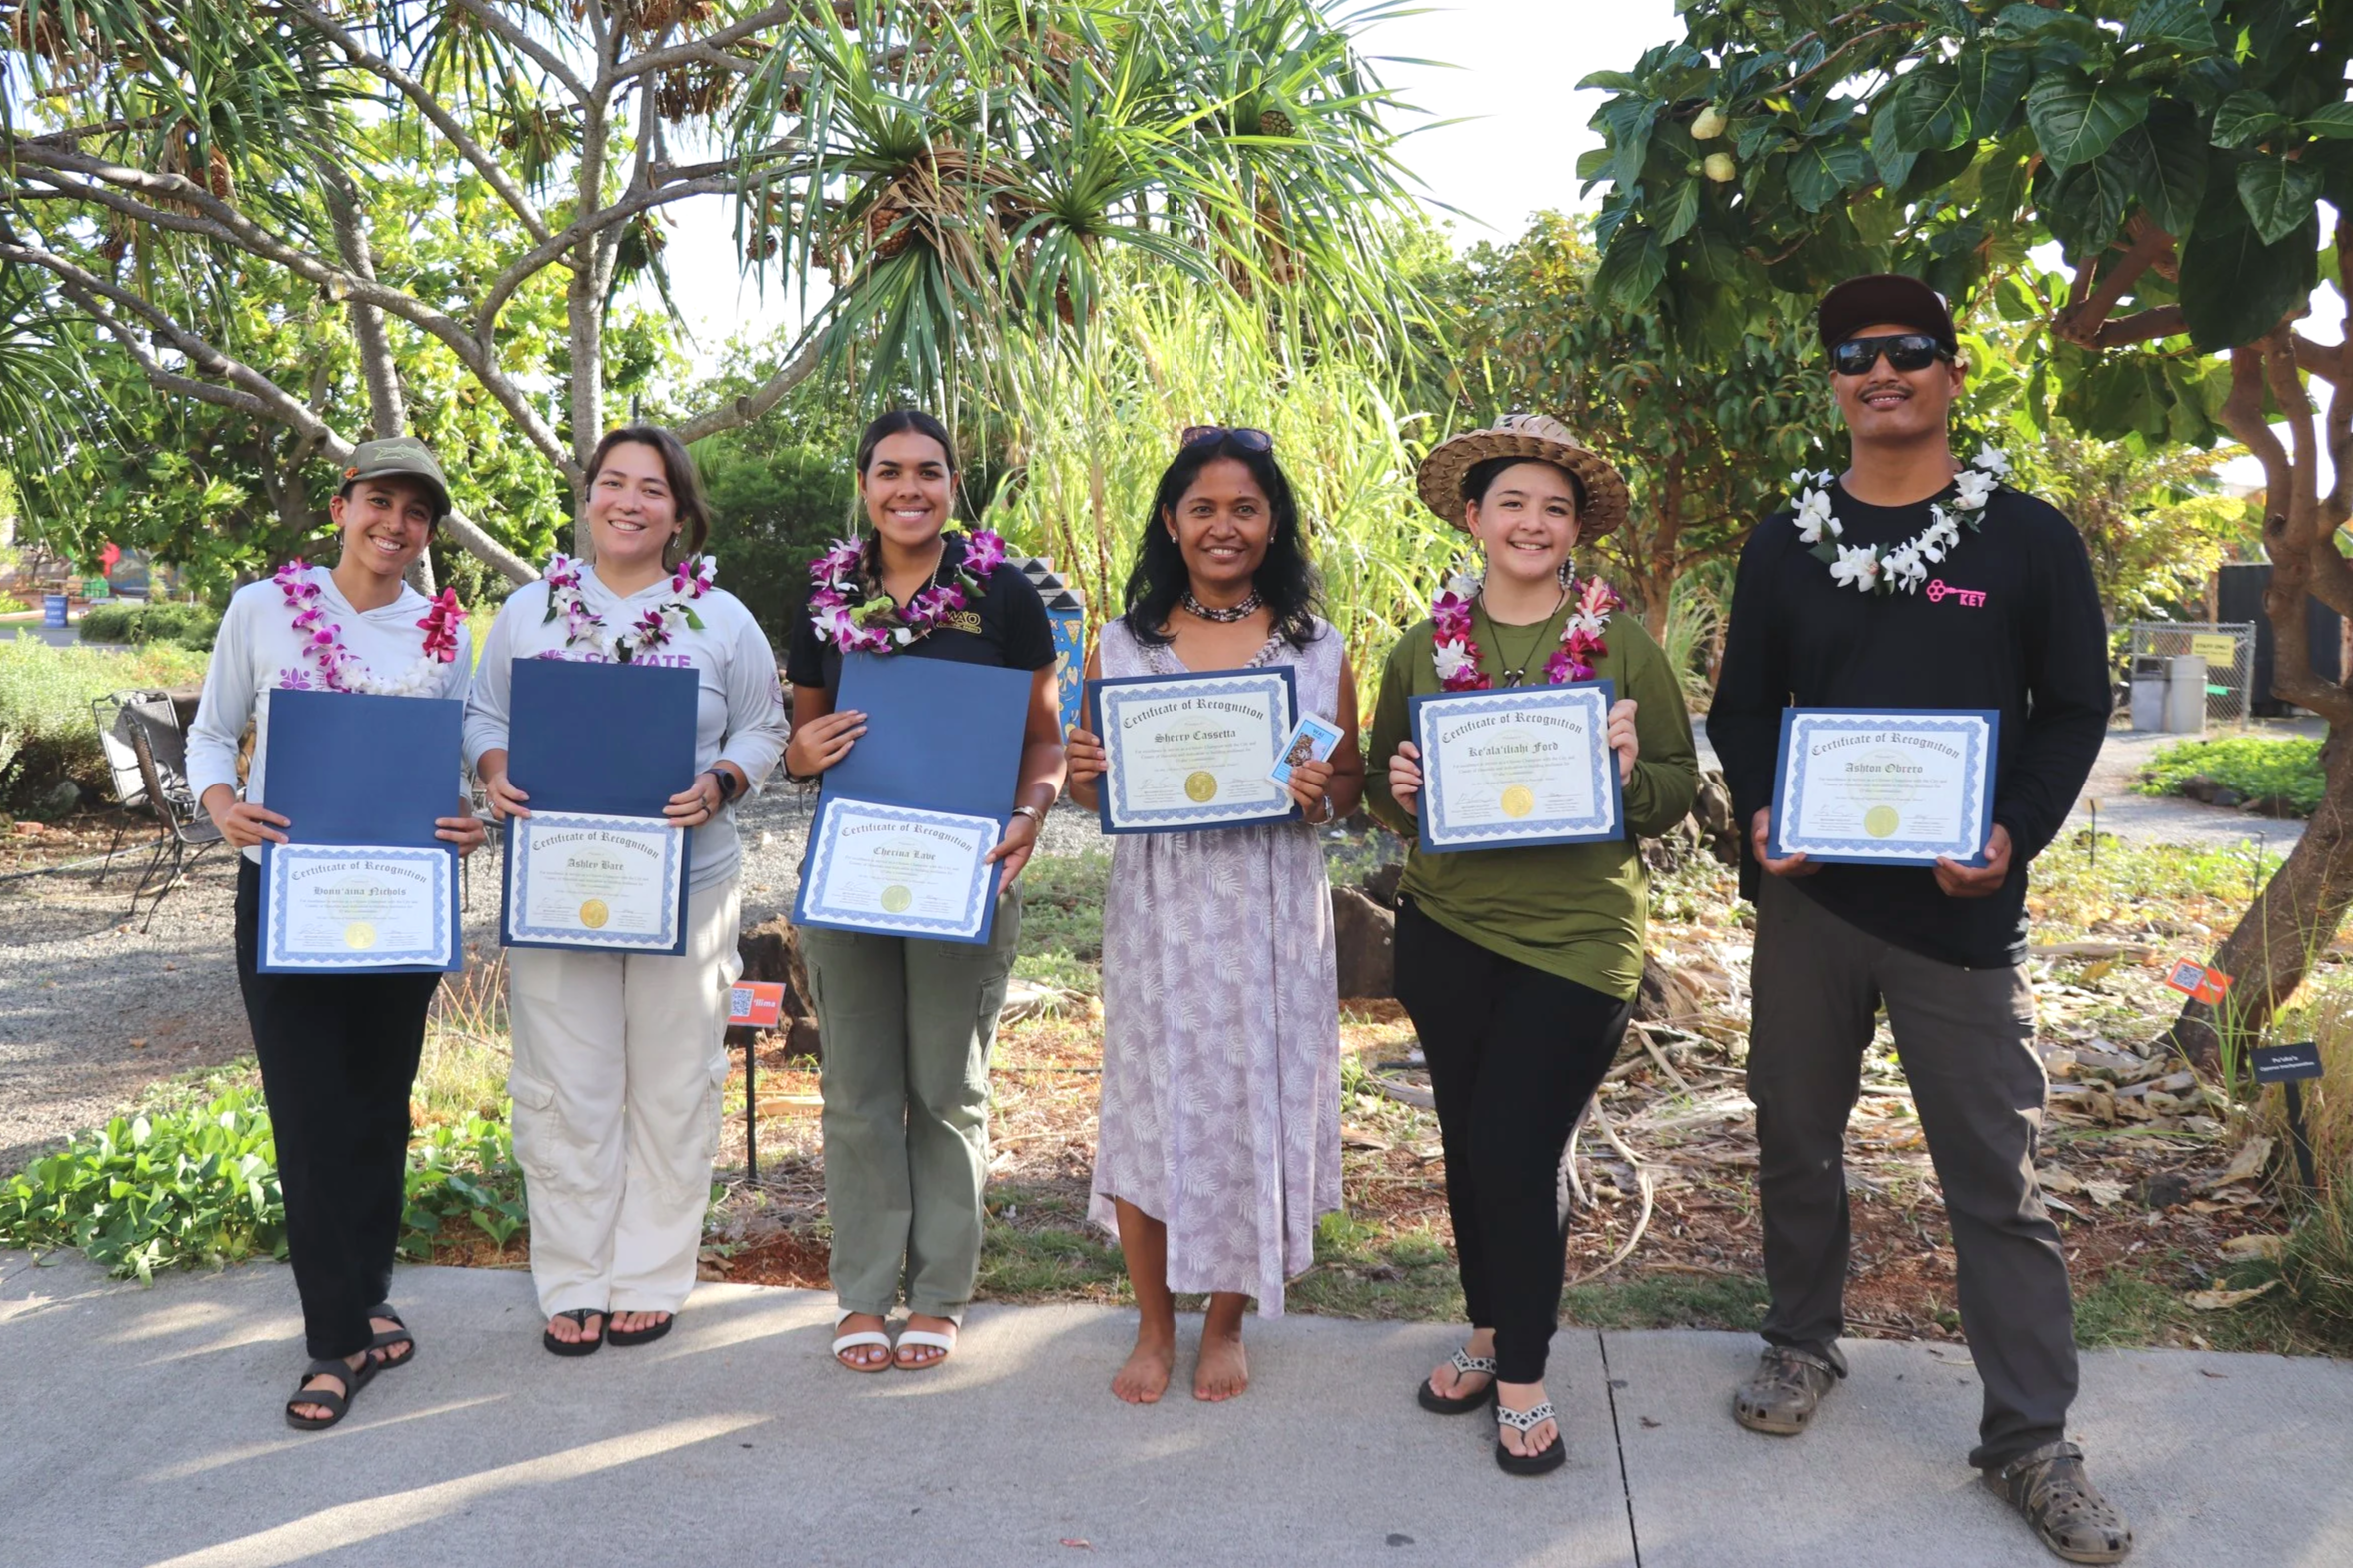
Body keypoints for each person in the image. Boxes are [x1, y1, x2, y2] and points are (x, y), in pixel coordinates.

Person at [1706, 275, 2125, 1563]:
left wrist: (2011, 836)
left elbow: (2071, 706)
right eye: (1852, 355)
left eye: (1904, 352)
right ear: (1833, 382)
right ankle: (1796, 1341)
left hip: (1958, 918)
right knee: (1794, 1140)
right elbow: (1742, 708)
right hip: (1813, 906)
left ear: (1949, 373)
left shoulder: (2026, 539)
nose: (1877, 371)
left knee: (1994, 1183)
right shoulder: (1785, 539)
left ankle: (2029, 1441)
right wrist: (1764, 817)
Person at [1365, 414, 1698, 1475]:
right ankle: (1485, 1324)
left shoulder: (1619, 645)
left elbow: (1672, 791)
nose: (1532, 520)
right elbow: (1383, 785)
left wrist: (1623, 762)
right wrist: (1402, 790)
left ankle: (1521, 1376)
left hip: (1575, 939)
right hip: (1448, 928)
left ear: (1574, 532)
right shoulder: (1423, 647)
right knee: (1470, 1144)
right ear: (1473, 518)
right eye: (1511, 502)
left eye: (1554, 507)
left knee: (1517, 1144)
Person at [468, 425, 786, 1358]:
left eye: (652, 489)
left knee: (675, 1077)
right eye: (614, 482)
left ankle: (649, 1273)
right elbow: (487, 714)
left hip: (688, 880)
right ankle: (572, 1276)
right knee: (565, 1080)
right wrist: (494, 770)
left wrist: (720, 780)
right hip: (557, 879)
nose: (629, 501)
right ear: (588, 495)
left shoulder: (721, 618)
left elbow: (765, 726)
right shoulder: (529, 610)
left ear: (679, 514)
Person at [188, 437, 485, 1429]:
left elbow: (445, 776)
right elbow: (208, 731)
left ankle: (365, 1291)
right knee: (307, 1115)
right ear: (341, 504)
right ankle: (335, 1343)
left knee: (376, 1106)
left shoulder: (444, 634)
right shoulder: (261, 609)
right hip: (286, 894)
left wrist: (465, 822)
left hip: (399, 898)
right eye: (380, 502)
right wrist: (222, 802)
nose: (394, 526)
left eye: (416, 513)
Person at [1064, 426, 1364, 1404]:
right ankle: (1152, 1327)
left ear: (1272, 520)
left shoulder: (1315, 649)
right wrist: (1080, 778)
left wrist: (1324, 786)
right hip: (1160, 912)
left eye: (1244, 508)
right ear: (1170, 520)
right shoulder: (1121, 644)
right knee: (1150, 1112)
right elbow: (1089, 788)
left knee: (1249, 1109)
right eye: (1203, 508)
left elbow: (1346, 786)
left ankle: (1226, 1323)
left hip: (1271, 910)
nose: (1223, 527)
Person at [784, 410, 1067, 1372]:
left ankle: (941, 1291)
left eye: (930, 472)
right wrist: (797, 750)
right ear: (862, 482)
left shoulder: (1001, 594)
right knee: (856, 1087)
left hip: (965, 873)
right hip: (855, 870)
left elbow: (1043, 736)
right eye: (890, 471)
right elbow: (804, 737)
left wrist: (1029, 813)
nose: (910, 488)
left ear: (954, 485)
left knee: (946, 1086)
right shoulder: (826, 593)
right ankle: (864, 1291)